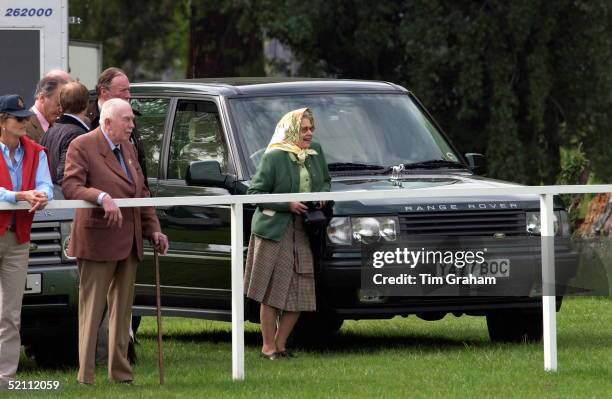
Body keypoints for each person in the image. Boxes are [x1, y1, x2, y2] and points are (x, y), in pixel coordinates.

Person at [62, 98, 168, 385]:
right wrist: (100, 197)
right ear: (108, 122)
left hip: (130, 241)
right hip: (97, 241)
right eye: (127, 120)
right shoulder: (82, 145)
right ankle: (85, 376)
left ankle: (120, 374)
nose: (132, 126)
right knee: (92, 311)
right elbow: (71, 186)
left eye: (131, 120)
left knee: (122, 314)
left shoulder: (129, 148)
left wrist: (153, 230)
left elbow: (141, 192)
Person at [244, 107, 331, 359]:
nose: (309, 133)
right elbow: (255, 194)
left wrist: (323, 196)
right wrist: (287, 204)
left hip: (303, 228)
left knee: (302, 290)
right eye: (303, 129)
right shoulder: (274, 156)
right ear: (291, 130)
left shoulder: (316, 153)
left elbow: (326, 181)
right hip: (274, 230)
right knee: (272, 291)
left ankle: (280, 346)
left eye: (311, 128)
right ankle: (267, 347)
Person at [0, 95, 53, 387]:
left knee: (11, 313)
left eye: (25, 117)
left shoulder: (37, 151)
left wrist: (43, 194)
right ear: (2, 122)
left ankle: (5, 378)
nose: (25, 122)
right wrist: (18, 195)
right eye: (18, 118)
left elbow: (45, 183)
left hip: (18, 239)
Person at [40, 81, 90, 185]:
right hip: (68, 199)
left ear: (61, 105)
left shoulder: (50, 130)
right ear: (86, 104)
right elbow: (64, 177)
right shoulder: (77, 134)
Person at [25, 76, 67, 143]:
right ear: (42, 98)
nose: (61, 110)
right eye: (58, 104)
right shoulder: (24, 126)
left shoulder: (60, 126)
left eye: (63, 105)